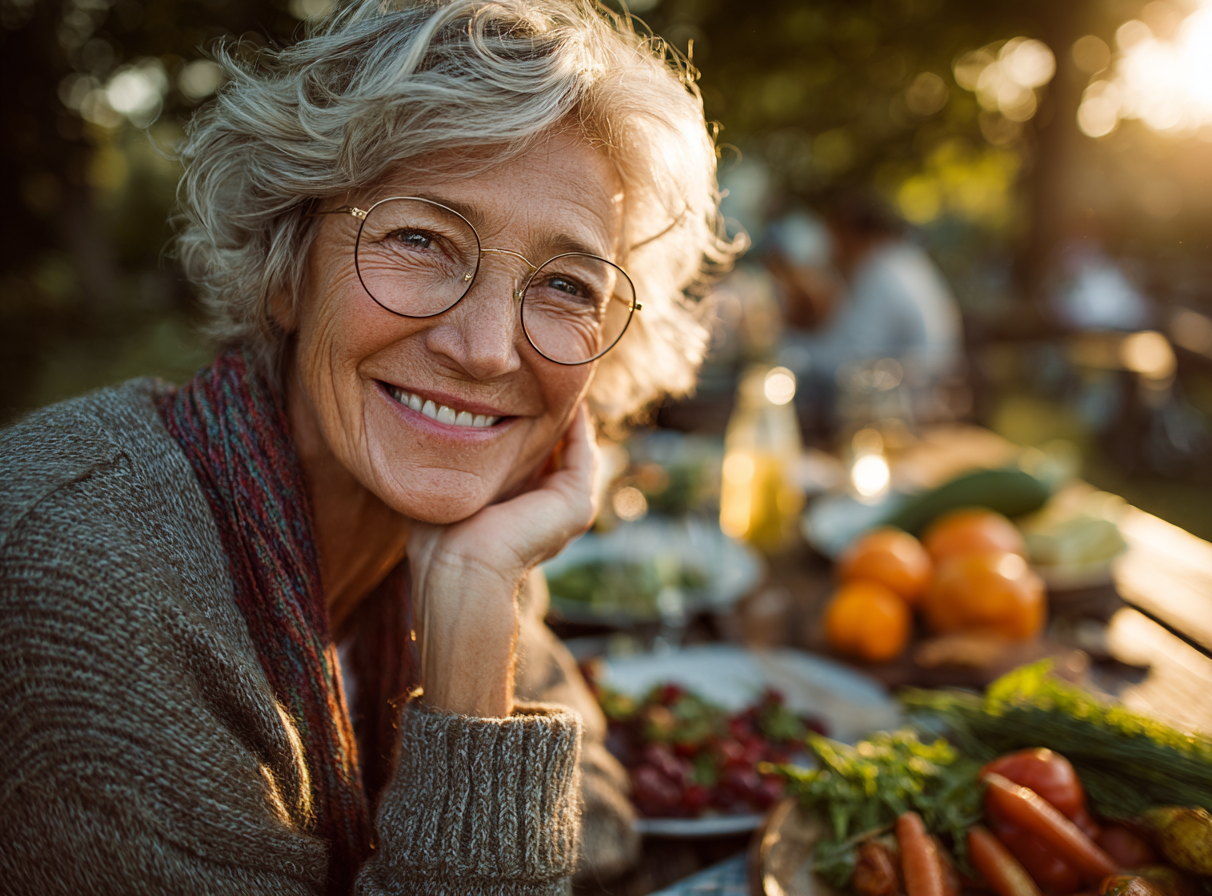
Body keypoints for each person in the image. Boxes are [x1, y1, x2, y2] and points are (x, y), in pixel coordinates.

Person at [0, 1, 739, 893]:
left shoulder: (460, 524)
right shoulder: (88, 572)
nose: (486, 348)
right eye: (420, 239)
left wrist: (473, 596)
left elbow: (601, 815)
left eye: (565, 285)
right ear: (287, 265)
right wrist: (472, 710)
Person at [771, 196, 963, 424]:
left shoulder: (880, 273)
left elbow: (848, 359)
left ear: (850, 232)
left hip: (910, 403)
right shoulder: (904, 261)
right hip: (930, 389)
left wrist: (783, 347)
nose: (831, 247)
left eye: (834, 235)